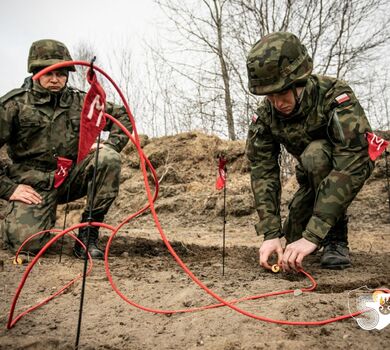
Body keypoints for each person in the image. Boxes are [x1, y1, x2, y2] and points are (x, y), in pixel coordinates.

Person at [245, 32, 374, 272]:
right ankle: (314, 231)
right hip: (309, 177)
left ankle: (335, 238)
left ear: (300, 82)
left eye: (282, 93)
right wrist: (271, 233)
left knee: (316, 154)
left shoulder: (334, 97)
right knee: (292, 238)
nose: (276, 103)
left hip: (346, 167)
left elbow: (353, 161)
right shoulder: (265, 116)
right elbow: (262, 171)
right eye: (269, 96)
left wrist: (315, 234)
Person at [0, 39, 132, 260]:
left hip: (70, 176)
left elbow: (122, 117)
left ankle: (88, 235)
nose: (55, 79)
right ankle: (24, 220)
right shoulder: (14, 105)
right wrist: (8, 188)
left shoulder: (80, 102)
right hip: (32, 183)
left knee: (107, 158)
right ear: (35, 72)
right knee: (27, 245)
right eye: (48, 73)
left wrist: (108, 145)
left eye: (61, 74)